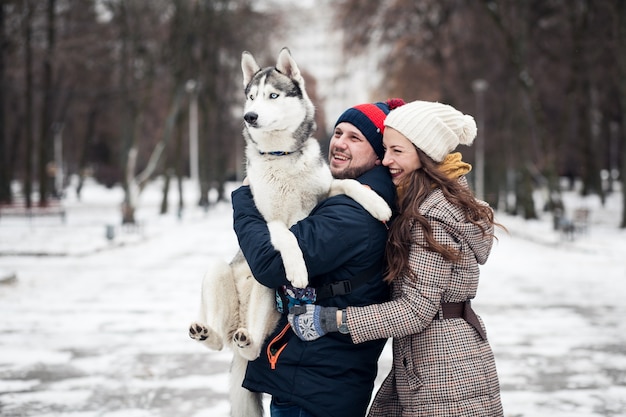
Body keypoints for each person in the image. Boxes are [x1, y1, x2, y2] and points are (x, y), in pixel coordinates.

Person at [289, 100, 504, 416]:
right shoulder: (420, 204)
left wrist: (332, 320)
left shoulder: (432, 216)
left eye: (397, 151)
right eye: (386, 149)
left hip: (445, 370)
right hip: (434, 356)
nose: (386, 160)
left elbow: (416, 310)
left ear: (424, 154)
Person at [231, 99, 405, 417]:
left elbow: (272, 265)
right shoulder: (357, 200)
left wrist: (245, 200)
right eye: (338, 133)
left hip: (313, 387)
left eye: (356, 138)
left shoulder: (350, 214)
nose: (339, 143)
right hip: (323, 380)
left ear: (380, 155)